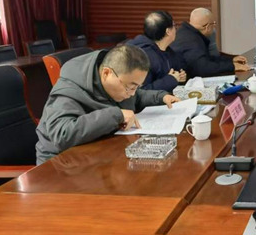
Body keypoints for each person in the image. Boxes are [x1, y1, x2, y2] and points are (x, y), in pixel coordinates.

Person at [35, 45, 180, 164]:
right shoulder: (70, 89)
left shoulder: (116, 83)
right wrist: (116, 115)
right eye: (130, 87)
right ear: (106, 73)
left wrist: (161, 97)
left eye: (137, 86)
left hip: (97, 152)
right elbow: (62, 134)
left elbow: (135, 97)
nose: (132, 93)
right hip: (61, 165)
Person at [171, 8, 249, 76]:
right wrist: (232, 66)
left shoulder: (186, 32)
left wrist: (230, 60)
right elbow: (204, 68)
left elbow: (206, 59)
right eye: (213, 24)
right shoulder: (192, 41)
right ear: (208, 27)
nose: (214, 26)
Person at [126, 11, 187, 92]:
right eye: (174, 25)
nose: (176, 29)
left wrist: (179, 77)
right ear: (168, 31)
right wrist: (170, 80)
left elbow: (174, 73)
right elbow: (140, 92)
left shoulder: (168, 50)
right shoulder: (141, 56)